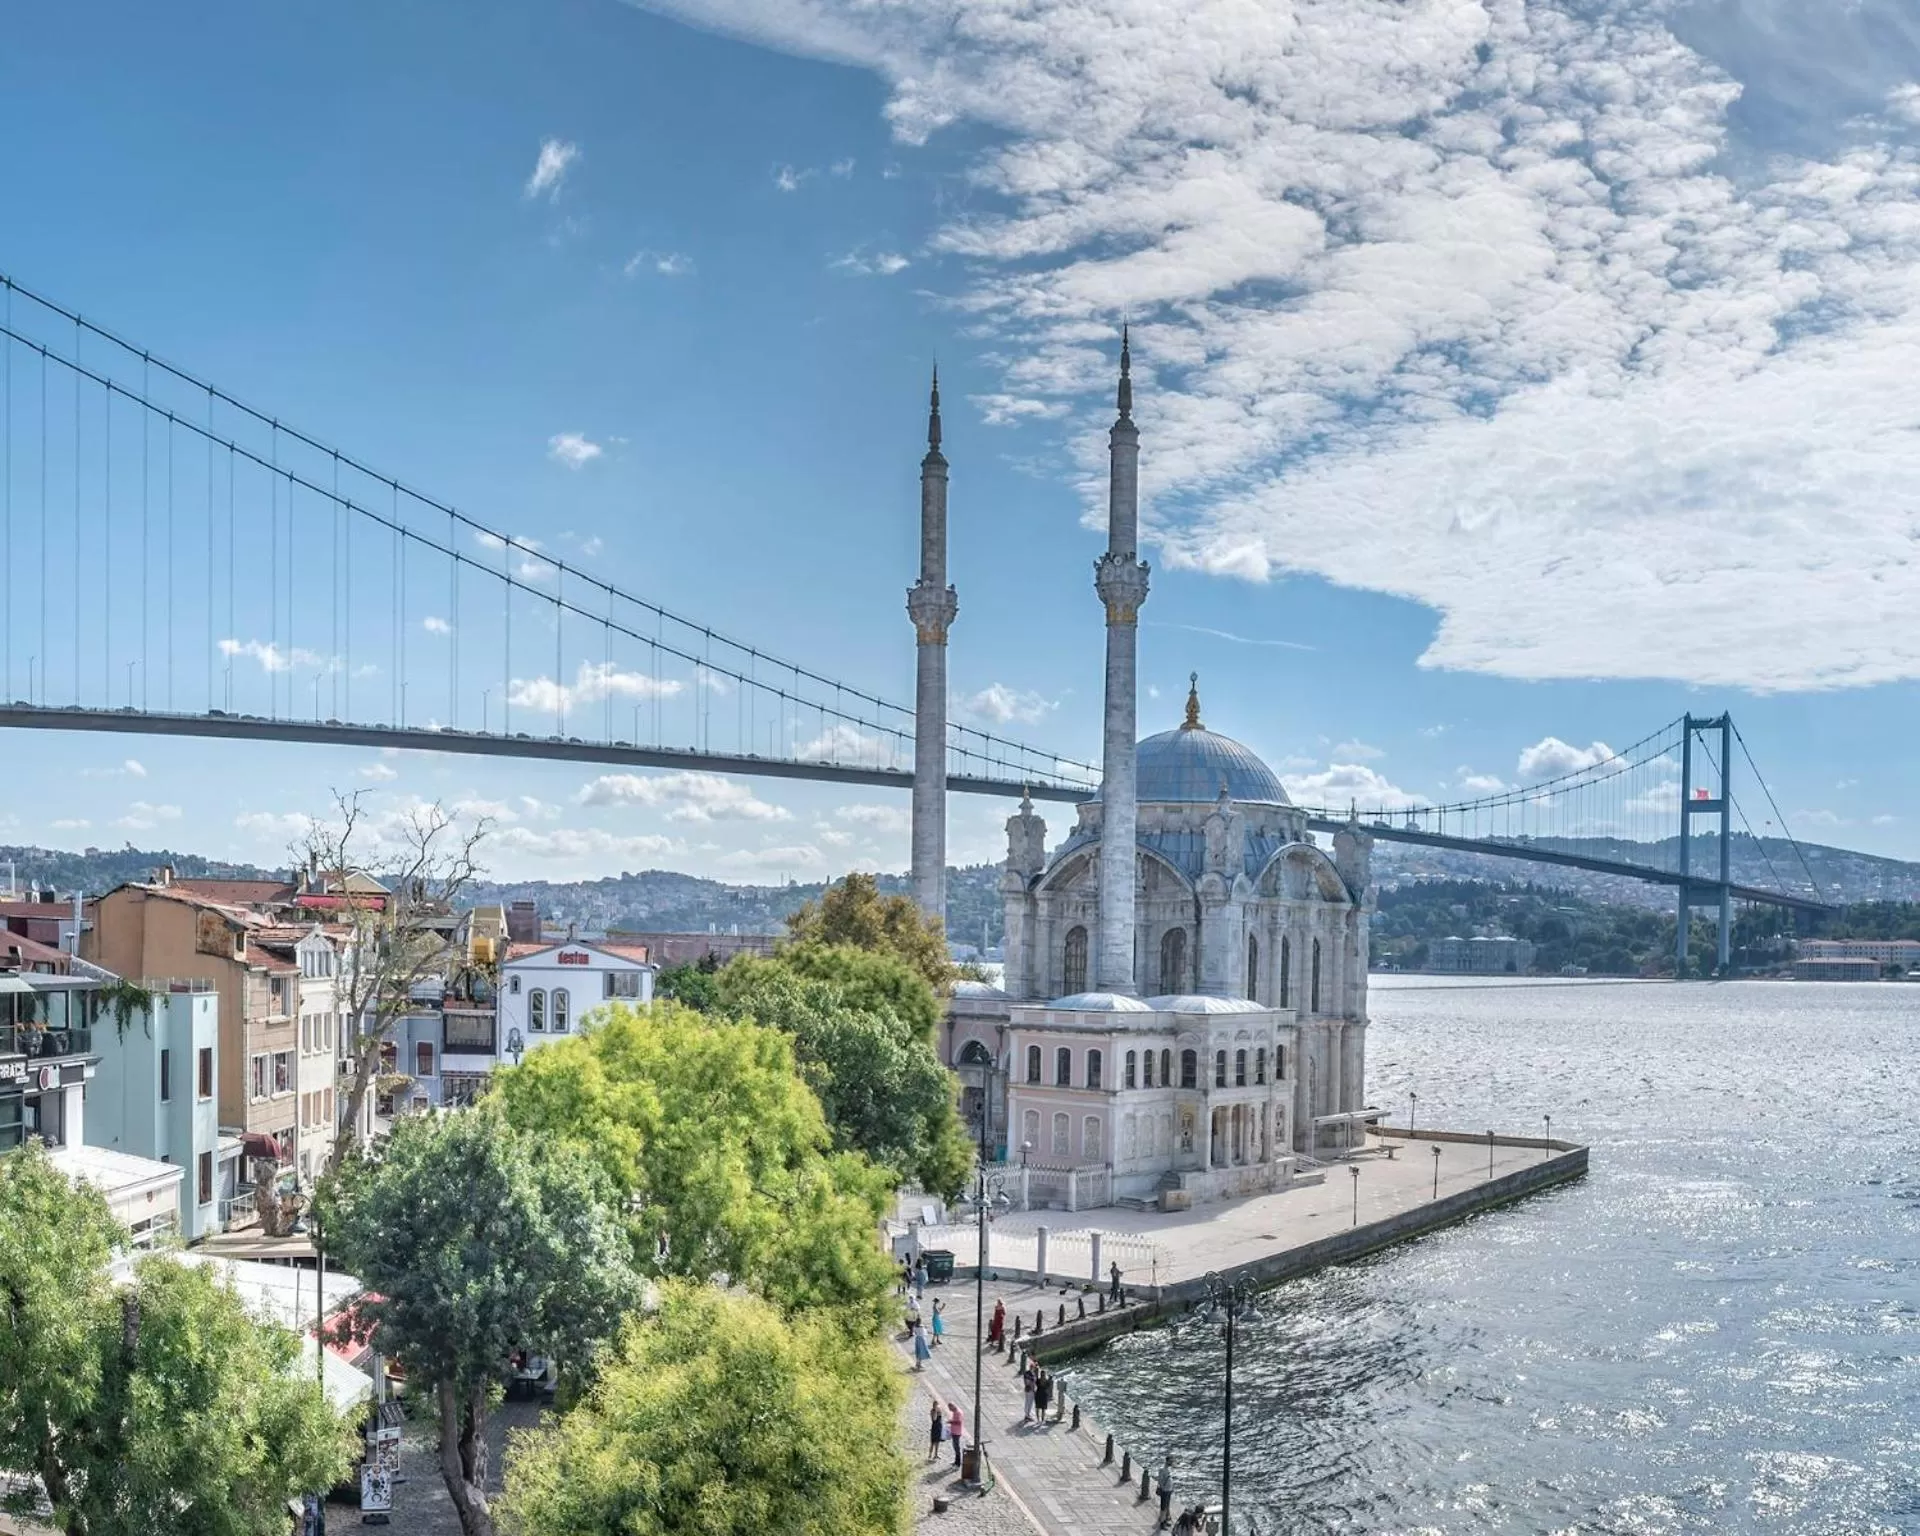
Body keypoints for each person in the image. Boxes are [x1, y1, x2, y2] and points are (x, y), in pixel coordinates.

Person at [1156, 1457, 1174, 1528]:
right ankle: (1162, 1523)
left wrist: (1171, 1489)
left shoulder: (1169, 1469)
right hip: (1165, 1491)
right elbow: (1160, 1480)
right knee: (1163, 1507)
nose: (1171, 1463)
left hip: (1169, 1490)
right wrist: (1163, 1488)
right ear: (1167, 1461)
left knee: (1167, 1506)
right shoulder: (1162, 1469)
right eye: (1170, 1461)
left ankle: (1165, 1520)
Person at [947, 1400, 964, 1469]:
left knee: (956, 1447)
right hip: (954, 1431)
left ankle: (958, 1463)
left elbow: (959, 1422)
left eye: (950, 1408)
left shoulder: (958, 1412)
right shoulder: (955, 1412)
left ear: (952, 1407)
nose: (950, 1410)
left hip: (957, 1432)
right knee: (955, 1447)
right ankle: (956, 1461)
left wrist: (951, 1422)